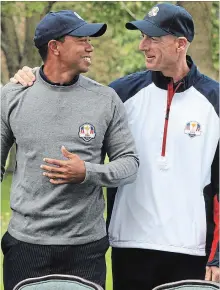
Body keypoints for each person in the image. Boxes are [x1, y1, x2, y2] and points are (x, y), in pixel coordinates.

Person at [10, 3, 220, 289]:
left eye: (153, 38)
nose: (142, 46)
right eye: (142, 37)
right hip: (128, 244)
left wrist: (217, 256)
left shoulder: (215, 101)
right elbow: (66, 90)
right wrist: (30, 75)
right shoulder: (120, 93)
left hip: (191, 248)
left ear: (181, 44)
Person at [1, 10, 139, 290]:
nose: (90, 47)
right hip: (26, 246)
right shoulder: (13, 95)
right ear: (55, 47)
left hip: (85, 248)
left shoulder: (105, 99)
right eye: (82, 39)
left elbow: (130, 164)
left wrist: (87, 172)